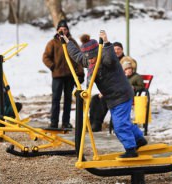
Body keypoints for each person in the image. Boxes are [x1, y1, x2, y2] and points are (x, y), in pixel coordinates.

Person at [63, 30, 147, 158]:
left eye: (92, 57)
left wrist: (106, 42)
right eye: (88, 58)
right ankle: (140, 140)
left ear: (98, 53)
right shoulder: (90, 61)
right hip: (113, 98)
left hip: (121, 95)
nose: (90, 61)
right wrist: (68, 42)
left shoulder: (106, 60)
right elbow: (78, 56)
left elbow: (110, 56)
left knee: (119, 125)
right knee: (123, 121)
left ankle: (131, 149)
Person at [43, 20, 84, 129]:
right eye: (61, 29)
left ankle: (66, 122)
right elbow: (46, 57)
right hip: (57, 76)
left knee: (68, 100)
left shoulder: (72, 42)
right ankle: (54, 122)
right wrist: (53, 66)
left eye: (65, 29)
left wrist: (80, 73)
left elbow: (78, 58)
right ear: (57, 30)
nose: (63, 31)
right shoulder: (53, 42)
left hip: (70, 76)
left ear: (68, 30)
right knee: (56, 99)